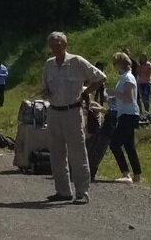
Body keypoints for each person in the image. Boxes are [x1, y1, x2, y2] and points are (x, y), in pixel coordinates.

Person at [40, 31, 106, 204]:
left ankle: (82, 192)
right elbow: (44, 87)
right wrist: (45, 92)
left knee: (77, 152)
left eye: (59, 44)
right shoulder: (49, 65)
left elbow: (100, 78)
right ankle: (62, 191)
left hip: (72, 111)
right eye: (53, 45)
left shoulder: (76, 61)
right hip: (54, 111)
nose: (56, 48)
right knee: (56, 153)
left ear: (65, 44)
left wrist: (86, 92)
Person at [104, 51, 142, 183]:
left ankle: (126, 173)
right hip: (127, 114)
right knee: (128, 145)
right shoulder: (126, 77)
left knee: (114, 143)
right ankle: (136, 174)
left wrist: (113, 92)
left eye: (115, 64)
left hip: (128, 114)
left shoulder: (127, 78)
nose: (114, 67)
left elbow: (129, 97)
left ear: (120, 63)